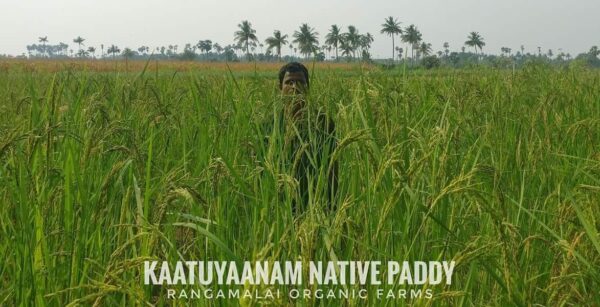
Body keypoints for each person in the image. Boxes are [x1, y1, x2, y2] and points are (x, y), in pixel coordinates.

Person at [262, 62, 338, 215]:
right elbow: (261, 171)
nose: (295, 87)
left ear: (307, 87)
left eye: (300, 82)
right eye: (289, 82)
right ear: (280, 88)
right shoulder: (269, 125)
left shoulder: (322, 122)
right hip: (279, 205)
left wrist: (332, 207)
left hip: (314, 202)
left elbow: (332, 169)